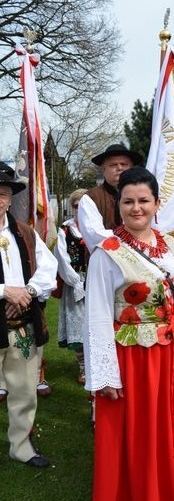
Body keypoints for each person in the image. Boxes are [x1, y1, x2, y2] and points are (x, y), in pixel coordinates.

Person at [83, 166, 174, 501]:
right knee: (143, 436)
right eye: (128, 201)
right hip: (135, 360)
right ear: (117, 205)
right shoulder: (106, 253)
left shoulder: (169, 244)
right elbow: (98, 317)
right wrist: (105, 375)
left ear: (156, 203)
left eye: (143, 201)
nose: (136, 208)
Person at [0, 169, 57, 467]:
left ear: (10, 199)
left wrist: (27, 291)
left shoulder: (24, 231)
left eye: (3, 193)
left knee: (23, 390)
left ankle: (21, 446)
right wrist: (4, 291)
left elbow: (49, 267)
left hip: (21, 323)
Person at [78, 143, 143, 253]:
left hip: (143, 263)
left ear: (131, 167)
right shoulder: (90, 198)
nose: (119, 168)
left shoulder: (144, 195)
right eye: (113, 165)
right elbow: (95, 235)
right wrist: (134, 237)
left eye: (124, 164)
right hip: (105, 262)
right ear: (103, 168)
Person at [54, 188, 88, 384]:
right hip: (74, 282)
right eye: (76, 206)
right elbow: (62, 259)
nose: (80, 209)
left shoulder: (97, 227)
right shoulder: (65, 230)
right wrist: (76, 282)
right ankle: (83, 367)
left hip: (97, 283)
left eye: (84, 205)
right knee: (79, 325)